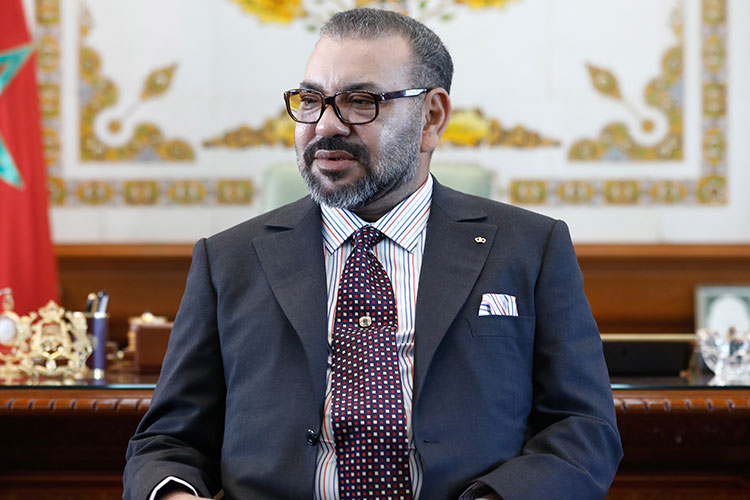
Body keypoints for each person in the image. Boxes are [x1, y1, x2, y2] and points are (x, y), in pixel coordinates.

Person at [124, 8, 622, 500]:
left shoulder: (530, 249)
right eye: (311, 100)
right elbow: (168, 443)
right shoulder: (228, 260)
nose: (325, 126)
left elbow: (583, 428)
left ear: (431, 117)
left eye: (360, 102)